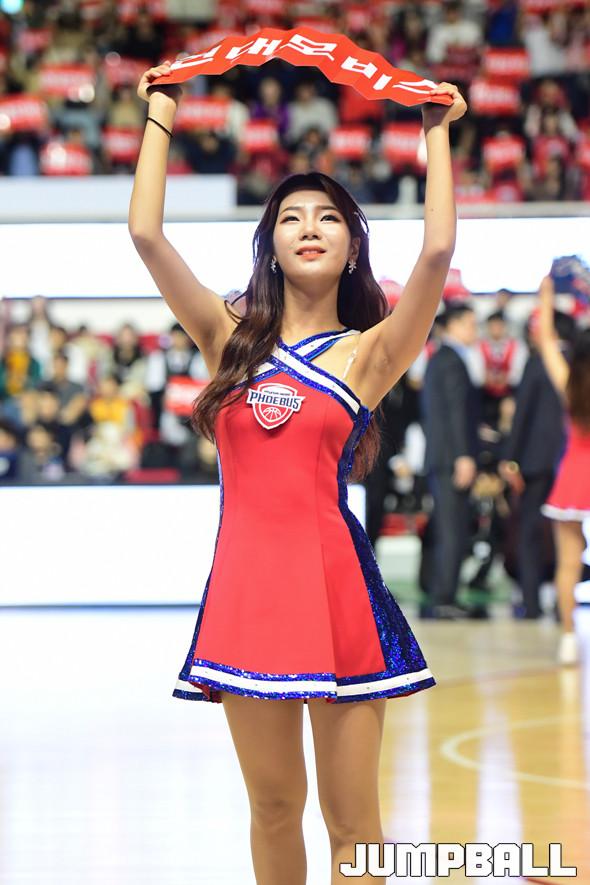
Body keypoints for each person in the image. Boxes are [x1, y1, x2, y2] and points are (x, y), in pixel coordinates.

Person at [130, 57, 466, 884]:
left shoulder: (369, 353)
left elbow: (437, 252)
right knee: (274, 809)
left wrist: (435, 132)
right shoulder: (226, 337)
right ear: (271, 246)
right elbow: (145, 236)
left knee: (353, 821)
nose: (309, 227)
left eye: (328, 217)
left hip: (339, 589)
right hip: (247, 592)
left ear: (351, 247)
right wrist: (162, 110)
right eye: (290, 217)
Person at [498, 309, 575, 619]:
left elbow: (523, 415)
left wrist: (510, 457)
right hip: (572, 460)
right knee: (569, 534)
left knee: (530, 531)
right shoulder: (580, 362)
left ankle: (531, 603)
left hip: (536, 459)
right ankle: (564, 604)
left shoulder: (537, 361)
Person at [534, 276, 590, 665]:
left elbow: (545, 340)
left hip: (571, 483)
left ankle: (569, 638)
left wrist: (546, 297)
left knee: (568, 564)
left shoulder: (571, 384)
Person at [420, 303, 483, 619]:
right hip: (451, 458)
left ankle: (442, 593)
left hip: (442, 457)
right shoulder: (451, 360)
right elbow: (456, 413)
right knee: (453, 530)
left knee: (448, 528)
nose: (475, 331)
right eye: (470, 324)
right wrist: (463, 455)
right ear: (454, 325)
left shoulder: (439, 359)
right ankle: (444, 597)